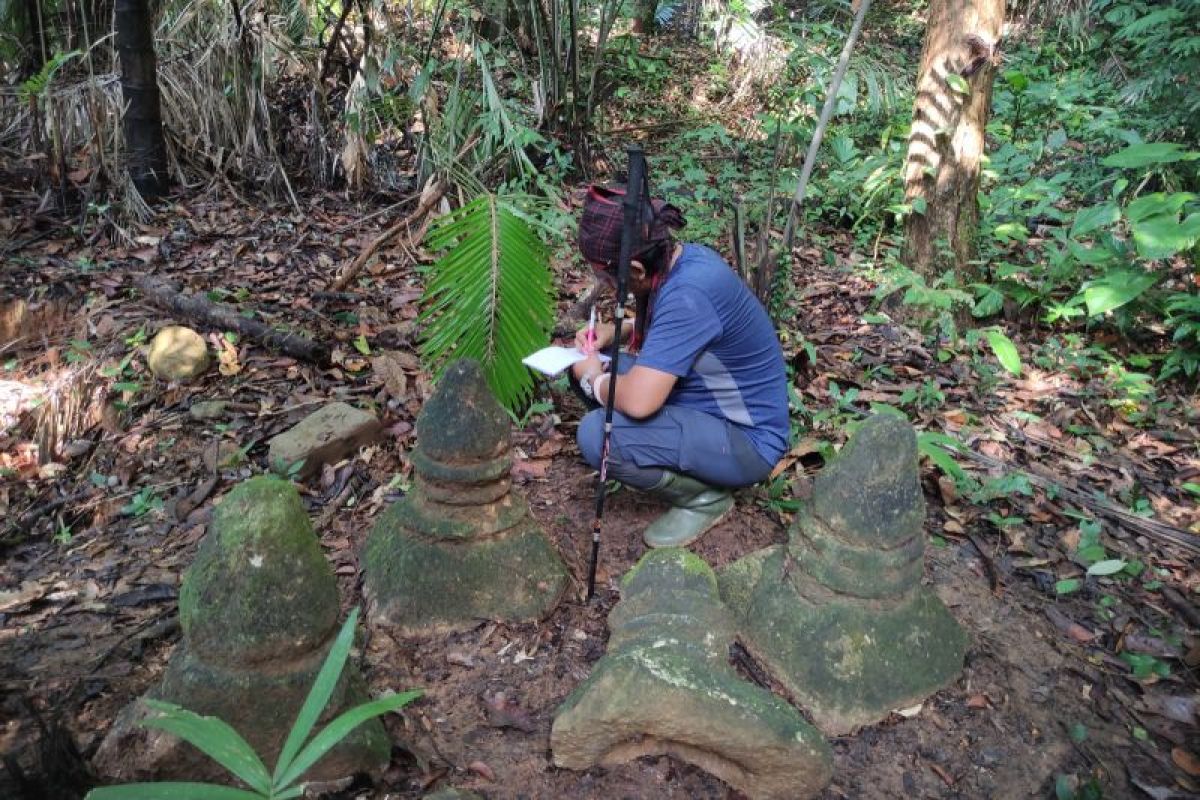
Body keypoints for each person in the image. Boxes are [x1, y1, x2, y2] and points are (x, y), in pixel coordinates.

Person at [570, 184, 790, 548]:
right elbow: (681, 331)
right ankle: (678, 458)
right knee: (584, 369)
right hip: (705, 404)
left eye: (607, 278)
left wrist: (595, 378)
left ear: (636, 269)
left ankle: (703, 498)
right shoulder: (679, 263)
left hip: (747, 438)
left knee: (597, 435)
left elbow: (640, 401)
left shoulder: (690, 294)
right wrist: (615, 332)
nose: (605, 286)